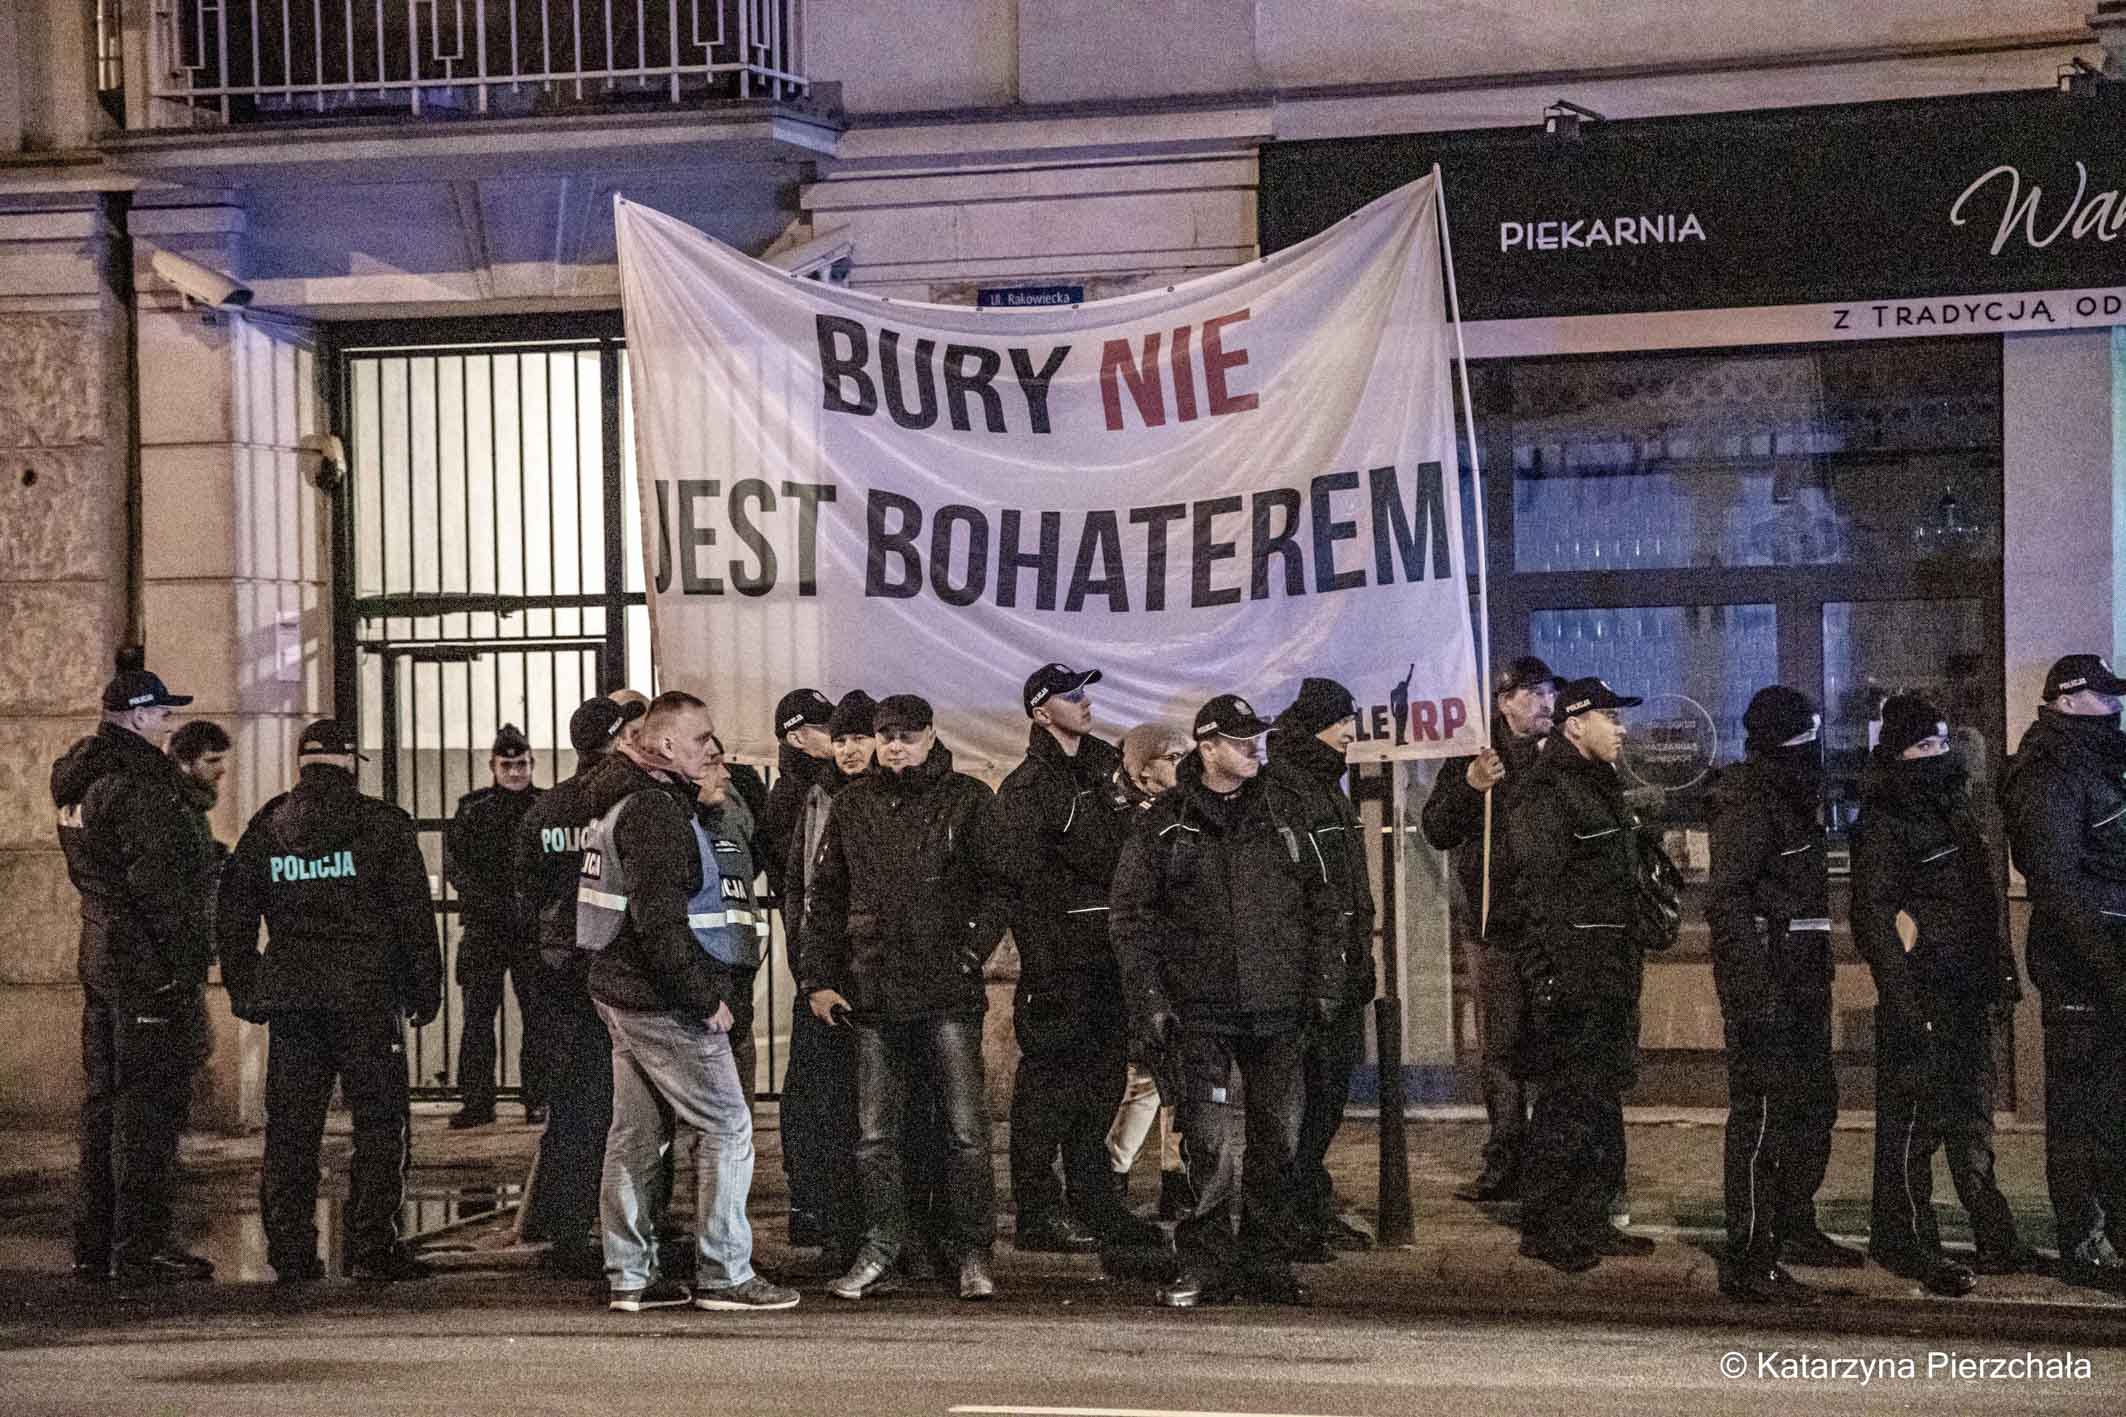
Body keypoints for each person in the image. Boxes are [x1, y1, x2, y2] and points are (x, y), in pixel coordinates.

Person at [1111, 693, 1344, 1309]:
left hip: (1279, 1007)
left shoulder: (1286, 812)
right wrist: (1151, 1000)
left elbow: (1325, 903)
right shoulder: (1166, 822)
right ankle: (1204, 1261)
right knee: (1207, 1143)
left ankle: (1266, 1261)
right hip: (1200, 1011)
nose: (1253, 750)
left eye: (1255, 739)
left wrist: (1325, 984)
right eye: (1240, 741)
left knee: (1278, 1141)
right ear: (1207, 747)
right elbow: (1131, 918)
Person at [573, 690, 799, 1314]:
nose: (712, 748)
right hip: (660, 1000)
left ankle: (630, 1276)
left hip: (621, 992)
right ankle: (725, 1273)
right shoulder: (654, 812)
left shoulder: (623, 799)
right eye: (702, 739)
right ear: (667, 745)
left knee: (635, 1135)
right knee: (727, 1125)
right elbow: (660, 924)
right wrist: (703, 999)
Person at [216, 719, 444, 1284]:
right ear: (348, 762)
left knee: (292, 1128)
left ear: (301, 764)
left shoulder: (268, 827)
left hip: (294, 999)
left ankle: (291, 1251)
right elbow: (413, 915)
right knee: (379, 1124)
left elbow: (234, 912)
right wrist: (425, 987)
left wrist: (246, 986)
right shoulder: (382, 825)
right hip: (367, 998)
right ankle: (372, 1247)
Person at [801, 694, 1005, 1302]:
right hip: (876, 989)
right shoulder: (853, 804)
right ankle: (885, 1246)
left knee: (964, 1131)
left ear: (931, 736)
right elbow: (826, 895)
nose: (895, 746)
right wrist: (819, 979)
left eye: (906, 736)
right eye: (887, 735)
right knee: (877, 1135)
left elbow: (999, 886)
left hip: (942, 989)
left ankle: (970, 1251)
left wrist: (969, 953)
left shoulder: (968, 800)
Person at [51, 654, 219, 1285]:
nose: (169, 722)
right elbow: (159, 886)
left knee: (105, 1104)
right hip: (146, 965)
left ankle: (95, 1241)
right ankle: (142, 1245)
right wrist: (181, 965)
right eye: (162, 713)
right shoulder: (141, 785)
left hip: (102, 953)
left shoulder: (80, 780)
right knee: (150, 1109)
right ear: (138, 717)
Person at [1855, 694, 2031, 1297]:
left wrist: (2000, 973)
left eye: (1941, 743)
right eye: (1923, 746)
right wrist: (1904, 1000)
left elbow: (1981, 903)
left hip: (1967, 989)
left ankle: (1995, 1235)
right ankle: (1905, 1238)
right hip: (1924, 993)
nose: (1937, 754)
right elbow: (1874, 917)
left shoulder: (1956, 809)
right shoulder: (1885, 820)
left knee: (1972, 1117)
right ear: (1898, 753)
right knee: (1913, 1124)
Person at [986, 662, 1156, 1255]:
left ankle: (1095, 1203)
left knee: (1102, 1086)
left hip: (1110, 962)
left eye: (1085, 692)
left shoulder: (1106, 768)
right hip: (1060, 965)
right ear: (1041, 712)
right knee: (1047, 1092)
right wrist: (1045, 957)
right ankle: (1038, 1212)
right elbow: (1018, 882)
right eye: (1070, 695)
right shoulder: (1029, 790)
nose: (1084, 702)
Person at [1507, 678, 1662, 1274]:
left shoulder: (1600, 784)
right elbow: (1537, 892)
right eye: (1609, 717)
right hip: (1573, 975)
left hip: (1611, 969)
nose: (1620, 728)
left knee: (1599, 1101)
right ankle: (1549, 1226)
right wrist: (1549, 977)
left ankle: (1591, 1217)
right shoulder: (1547, 790)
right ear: (1575, 725)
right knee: (1565, 1104)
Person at [1705, 686, 1855, 1304]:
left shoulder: (1795, 800)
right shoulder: (1750, 803)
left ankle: (1793, 1223)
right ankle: (1750, 1254)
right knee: (1763, 1117)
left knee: (1812, 1106)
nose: (1813, 748)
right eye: (1804, 736)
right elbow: (1728, 903)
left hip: (1803, 980)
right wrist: (1752, 992)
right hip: (1766, 986)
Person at [1999, 654, 2126, 1293]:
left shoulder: (2101, 760)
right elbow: (2055, 884)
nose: (2116, 707)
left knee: (2115, 1109)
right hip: (2084, 967)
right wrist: (2110, 970)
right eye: (2105, 697)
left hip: (2110, 957)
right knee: (2082, 1112)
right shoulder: (2049, 770)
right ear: (2068, 701)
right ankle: (2085, 1240)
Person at [512, 693, 647, 1273]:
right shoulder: (627, 803)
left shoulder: (546, 810)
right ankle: (632, 1225)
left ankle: (565, 1224)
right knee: (632, 1104)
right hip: (616, 968)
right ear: (619, 739)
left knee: (573, 1103)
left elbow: (527, 893)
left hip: (561, 973)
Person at [1421, 656, 1560, 1202]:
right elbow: (1437, 828)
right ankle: (1505, 1157)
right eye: (1532, 694)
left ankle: (1549, 1161)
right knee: (1501, 1048)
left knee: (1550, 1046)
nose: (1545, 703)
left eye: (1549, 693)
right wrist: (1469, 786)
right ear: (1504, 702)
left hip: (1550, 925)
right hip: (1494, 925)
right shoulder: (1473, 754)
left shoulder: (1562, 754)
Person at [1263, 678, 1378, 1254]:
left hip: (1341, 969)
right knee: (1302, 1100)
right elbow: (1300, 890)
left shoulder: (1326, 786)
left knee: (1328, 1095)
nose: (1351, 735)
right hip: (1309, 975)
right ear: (1315, 729)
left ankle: (1307, 1201)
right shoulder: (1287, 791)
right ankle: (1288, 1215)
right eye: (1343, 725)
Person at [779, 691, 876, 1260]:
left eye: (860, 737)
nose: (849, 749)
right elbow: (800, 889)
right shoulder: (814, 798)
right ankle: (828, 1217)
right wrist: (809, 969)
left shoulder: (884, 798)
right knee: (822, 1101)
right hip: (823, 977)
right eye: (840, 739)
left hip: (879, 975)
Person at [445, 725, 549, 1127]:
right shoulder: (473, 809)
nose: (515, 772)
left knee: (537, 1017)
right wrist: (497, 904)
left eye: (521, 764)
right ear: (493, 766)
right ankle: (477, 1102)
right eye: (508, 765)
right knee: (478, 1018)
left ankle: (537, 1098)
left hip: (524, 927)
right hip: (488, 926)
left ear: (532, 764)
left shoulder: (544, 806)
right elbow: (456, 867)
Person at [1106, 722, 1190, 1218]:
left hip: (1181, 963)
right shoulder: (1127, 822)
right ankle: (1115, 1172)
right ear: (1142, 770)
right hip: (1145, 967)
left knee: (1177, 1082)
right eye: (1172, 757)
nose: (1183, 765)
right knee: (1147, 1080)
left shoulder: (1185, 814)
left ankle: (1176, 1178)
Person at [696, 735, 772, 1102]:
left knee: (738, 1049)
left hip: (738, 956)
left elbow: (753, 859)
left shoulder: (735, 803)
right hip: (694, 962)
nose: (725, 773)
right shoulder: (663, 817)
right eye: (712, 763)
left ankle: (740, 1135)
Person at [761, 687, 837, 911]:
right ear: (796, 738)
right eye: (826, 728)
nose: (837, 733)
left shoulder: (830, 785)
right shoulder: (787, 799)